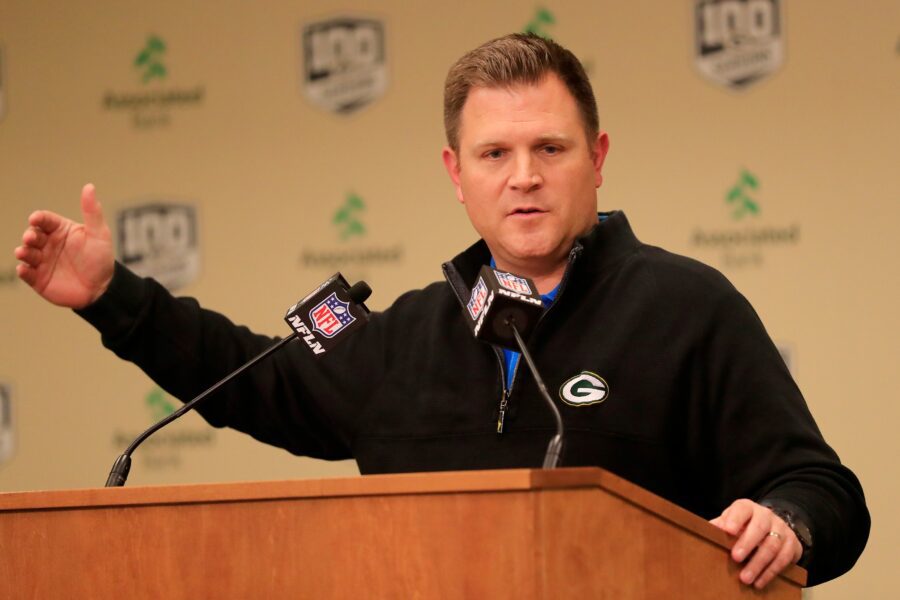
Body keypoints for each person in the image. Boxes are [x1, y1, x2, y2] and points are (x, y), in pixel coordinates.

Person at [14, 34, 867, 589]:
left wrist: (785, 520)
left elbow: (824, 491)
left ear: (597, 160)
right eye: (495, 153)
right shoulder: (409, 334)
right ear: (457, 175)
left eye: (550, 149)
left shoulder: (689, 309)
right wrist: (112, 297)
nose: (523, 175)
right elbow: (250, 381)